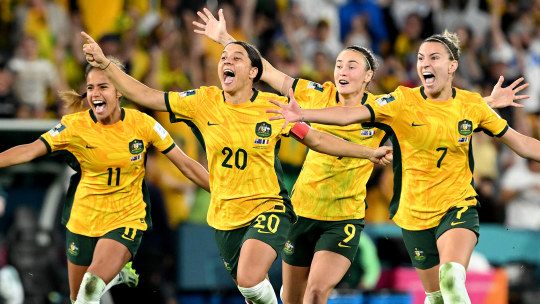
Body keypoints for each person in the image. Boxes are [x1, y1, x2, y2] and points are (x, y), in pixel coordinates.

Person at [192, 8, 529, 304]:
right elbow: (262, 70)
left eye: (352, 66)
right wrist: (226, 41)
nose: (342, 70)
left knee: (316, 293)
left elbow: (439, 109)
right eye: (339, 64)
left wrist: (485, 103)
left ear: (368, 76)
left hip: (344, 218)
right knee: (292, 298)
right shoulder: (313, 94)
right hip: (302, 212)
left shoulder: (381, 111)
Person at [80, 31, 393, 304]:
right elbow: (146, 95)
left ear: (253, 72)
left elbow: (318, 139)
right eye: (223, 57)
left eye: (236, 58)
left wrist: (368, 153)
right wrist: (106, 64)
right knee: (255, 291)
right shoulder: (202, 101)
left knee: (265, 281)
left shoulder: (273, 108)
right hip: (226, 216)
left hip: (272, 209)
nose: (226, 61)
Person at [0, 58, 211, 304]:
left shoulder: (142, 124)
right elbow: (28, 150)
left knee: (90, 290)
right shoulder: (74, 127)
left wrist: (223, 191)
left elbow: (185, 163)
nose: (95, 94)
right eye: (90, 88)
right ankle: (117, 274)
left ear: (119, 90)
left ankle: (113, 270)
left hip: (125, 218)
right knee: (80, 300)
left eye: (103, 86)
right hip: (83, 222)